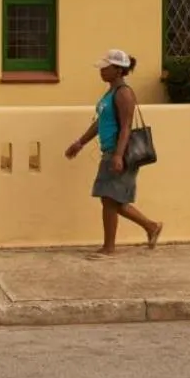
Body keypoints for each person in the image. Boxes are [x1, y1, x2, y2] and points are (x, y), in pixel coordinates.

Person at [65, 49, 162, 257]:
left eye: (106, 67)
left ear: (118, 70)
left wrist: (118, 155)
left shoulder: (124, 93)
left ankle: (110, 247)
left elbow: (126, 126)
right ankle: (151, 226)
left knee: (110, 200)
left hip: (121, 153)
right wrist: (80, 142)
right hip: (110, 150)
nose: (102, 71)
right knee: (112, 200)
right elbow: (100, 122)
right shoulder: (110, 93)